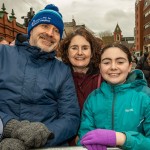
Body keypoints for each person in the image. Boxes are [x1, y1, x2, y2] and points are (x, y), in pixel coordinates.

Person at [0, 4, 80, 150]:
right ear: (31, 29)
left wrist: (41, 137)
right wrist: (10, 129)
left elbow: (71, 118)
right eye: (44, 26)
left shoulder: (62, 70)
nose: (50, 33)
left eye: (56, 31)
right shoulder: (2, 55)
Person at [77, 43, 150, 150]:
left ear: (130, 66)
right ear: (100, 67)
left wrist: (122, 139)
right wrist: (87, 144)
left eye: (120, 62)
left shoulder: (145, 97)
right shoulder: (93, 99)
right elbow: (84, 135)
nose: (113, 67)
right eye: (106, 62)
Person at [60, 27, 102, 146]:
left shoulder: (104, 78)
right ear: (67, 51)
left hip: (96, 141)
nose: (79, 53)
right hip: (65, 142)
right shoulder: (58, 77)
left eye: (85, 48)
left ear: (92, 51)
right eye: (74, 48)